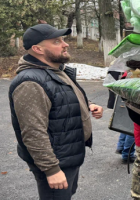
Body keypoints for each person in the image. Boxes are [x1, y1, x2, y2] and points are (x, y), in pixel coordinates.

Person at [9, 24, 103, 200]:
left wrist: (88, 104)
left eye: (64, 40)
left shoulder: (54, 70)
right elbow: (33, 132)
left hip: (67, 154)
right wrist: (51, 170)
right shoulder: (30, 83)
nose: (65, 44)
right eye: (57, 41)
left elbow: (60, 96)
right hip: (55, 161)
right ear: (38, 49)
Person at [107, 70, 136, 163]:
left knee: (126, 126)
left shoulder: (127, 70)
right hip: (132, 101)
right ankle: (128, 154)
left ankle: (121, 147)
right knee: (132, 128)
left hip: (123, 100)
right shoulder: (135, 72)